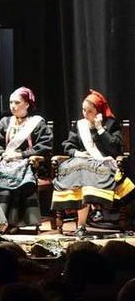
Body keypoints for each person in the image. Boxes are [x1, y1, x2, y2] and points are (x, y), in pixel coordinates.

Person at [51, 90, 134, 235]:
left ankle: (95, 210)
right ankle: (81, 225)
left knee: (87, 171)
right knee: (81, 169)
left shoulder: (110, 124)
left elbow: (115, 148)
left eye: (90, 111)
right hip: (81, 163)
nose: (85, 114)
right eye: (83, 110)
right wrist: (77, 153)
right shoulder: (80, 125)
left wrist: (100, 129)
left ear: (99, 110)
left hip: (104, 164)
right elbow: (68, 145)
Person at [0, 87, 52, 231]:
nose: (12, 106)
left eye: (17, 102)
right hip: (5, 161)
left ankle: (11, 221)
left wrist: (21, 155)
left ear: (27, 104)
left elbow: (44, 146)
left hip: (29, 163)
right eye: (10, 103)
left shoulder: (37, 124)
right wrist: (3, 154)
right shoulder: (5, 122)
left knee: (11, 178)